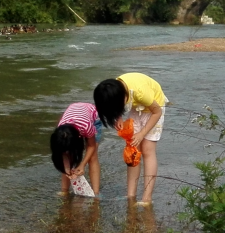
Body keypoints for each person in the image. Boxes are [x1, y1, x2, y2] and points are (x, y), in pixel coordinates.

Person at [94, 73, 167, 206]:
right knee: (133, 149)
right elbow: (116, 107)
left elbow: (157, 112)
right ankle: (131, 195)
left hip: (154, 108)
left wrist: (142, 134)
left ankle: (147, 198)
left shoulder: (140, 92)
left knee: (147, 150)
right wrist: (118, 118)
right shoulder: (112, 90)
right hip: (137, 106)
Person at [50, 102, 102, 196]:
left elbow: (91, 146)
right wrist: (66, 168)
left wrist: (82, 164)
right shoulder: (60, 132)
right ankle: (64, 190)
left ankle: (96, 193)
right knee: (66, 158)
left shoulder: (87, 126)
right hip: (73, 118)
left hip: (93, 117)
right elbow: (63, 154)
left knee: (92, 157)